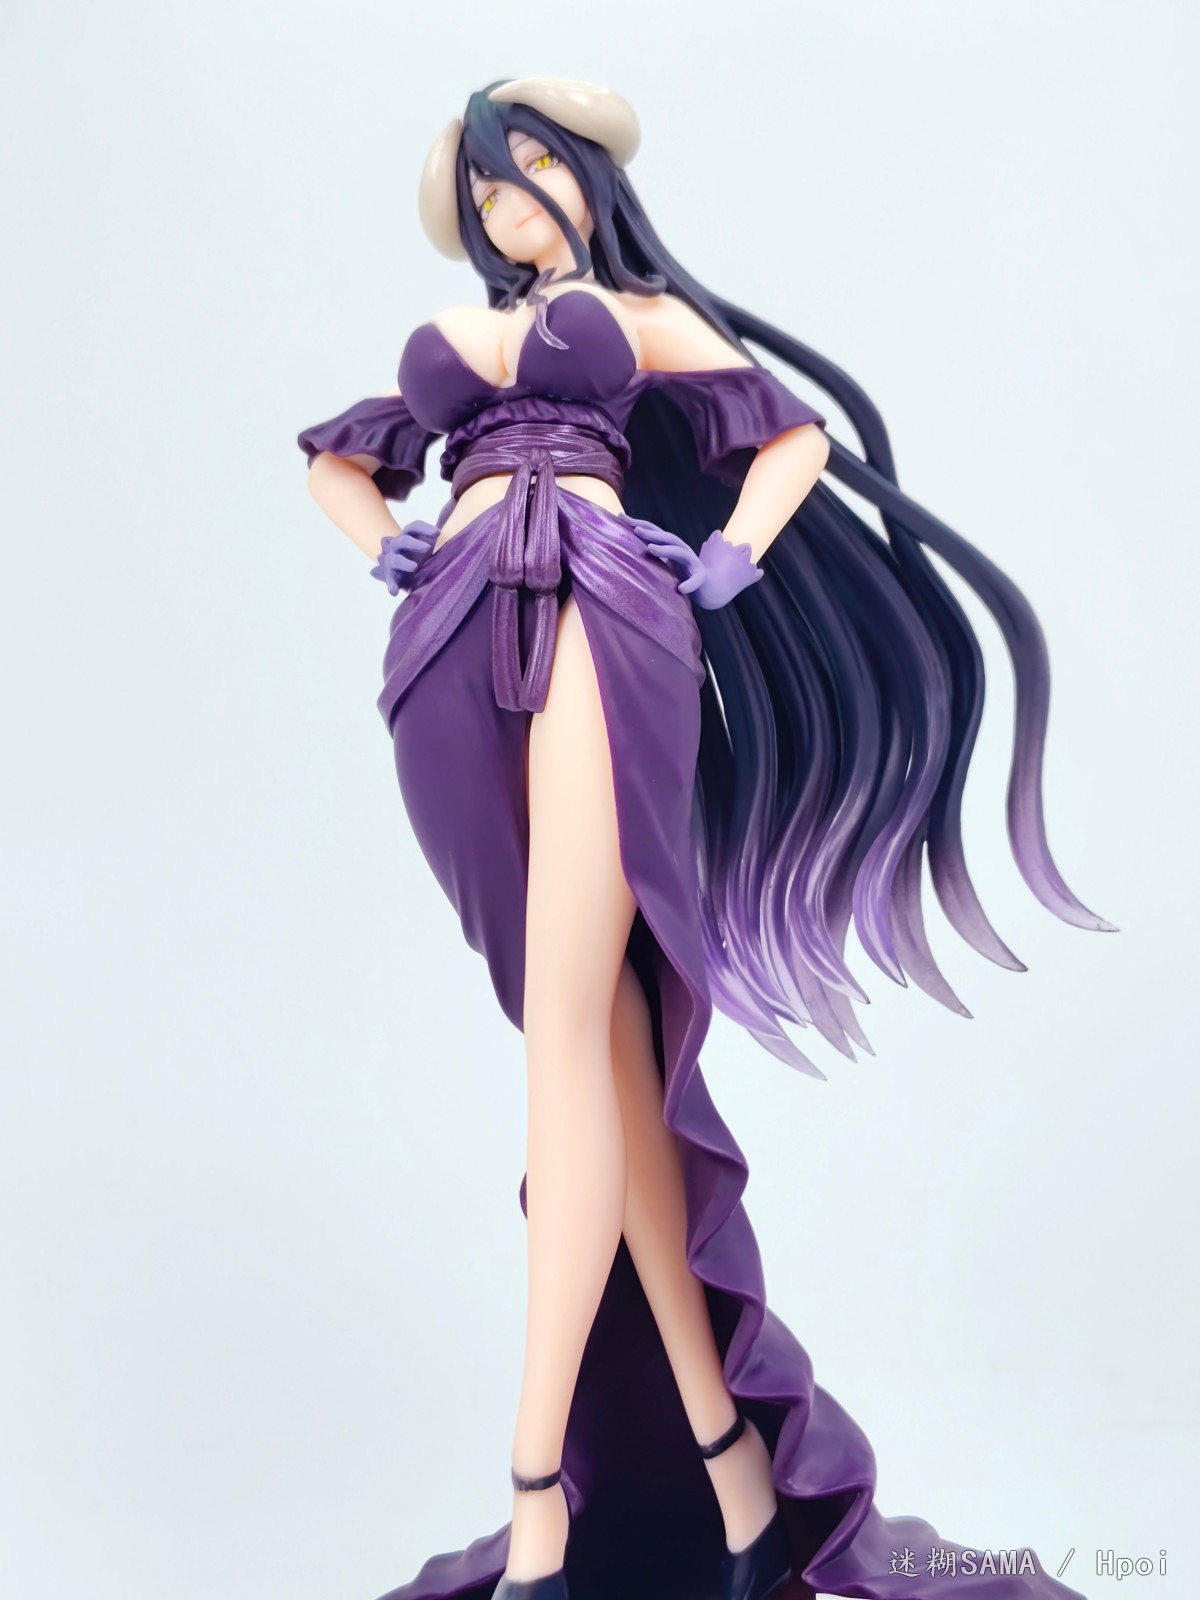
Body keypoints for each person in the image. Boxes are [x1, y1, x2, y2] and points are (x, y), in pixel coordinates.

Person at [297, 76, 1102, 1600]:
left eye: (534, 171)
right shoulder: (457, 343)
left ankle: (538, 1487)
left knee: (567, 1042)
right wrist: (383, 540)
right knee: (600, 1045)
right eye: (488, 192)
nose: (513, 207)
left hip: (603, 619)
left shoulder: (639, 318)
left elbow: (786, 441)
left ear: (587, 172)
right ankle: (735, 1476)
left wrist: (729, 558)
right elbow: (337, 463)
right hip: (447, 653)